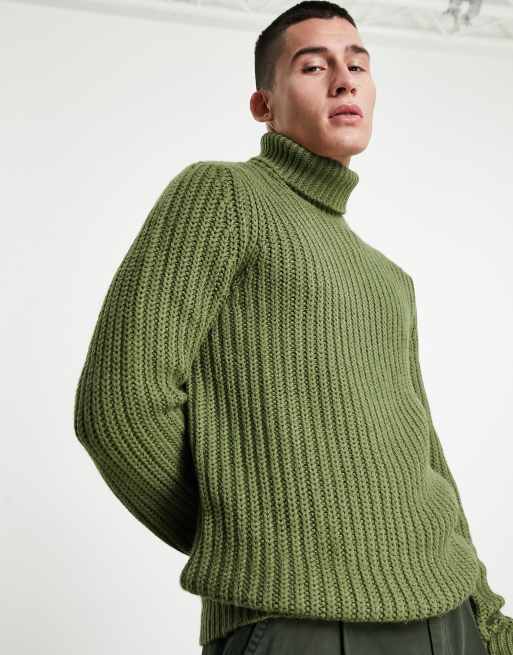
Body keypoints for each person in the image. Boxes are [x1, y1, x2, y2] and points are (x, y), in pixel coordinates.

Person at [73, 2, 512, 653]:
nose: (343, 81)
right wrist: (250, 539)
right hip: (297, 617)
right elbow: (119, 405)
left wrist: (486, 616)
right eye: (313, 66)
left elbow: (428, 458)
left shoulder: (388, 276)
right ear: (264, 105)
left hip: (448, 617)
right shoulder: (224, 195)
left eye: (357, 65)